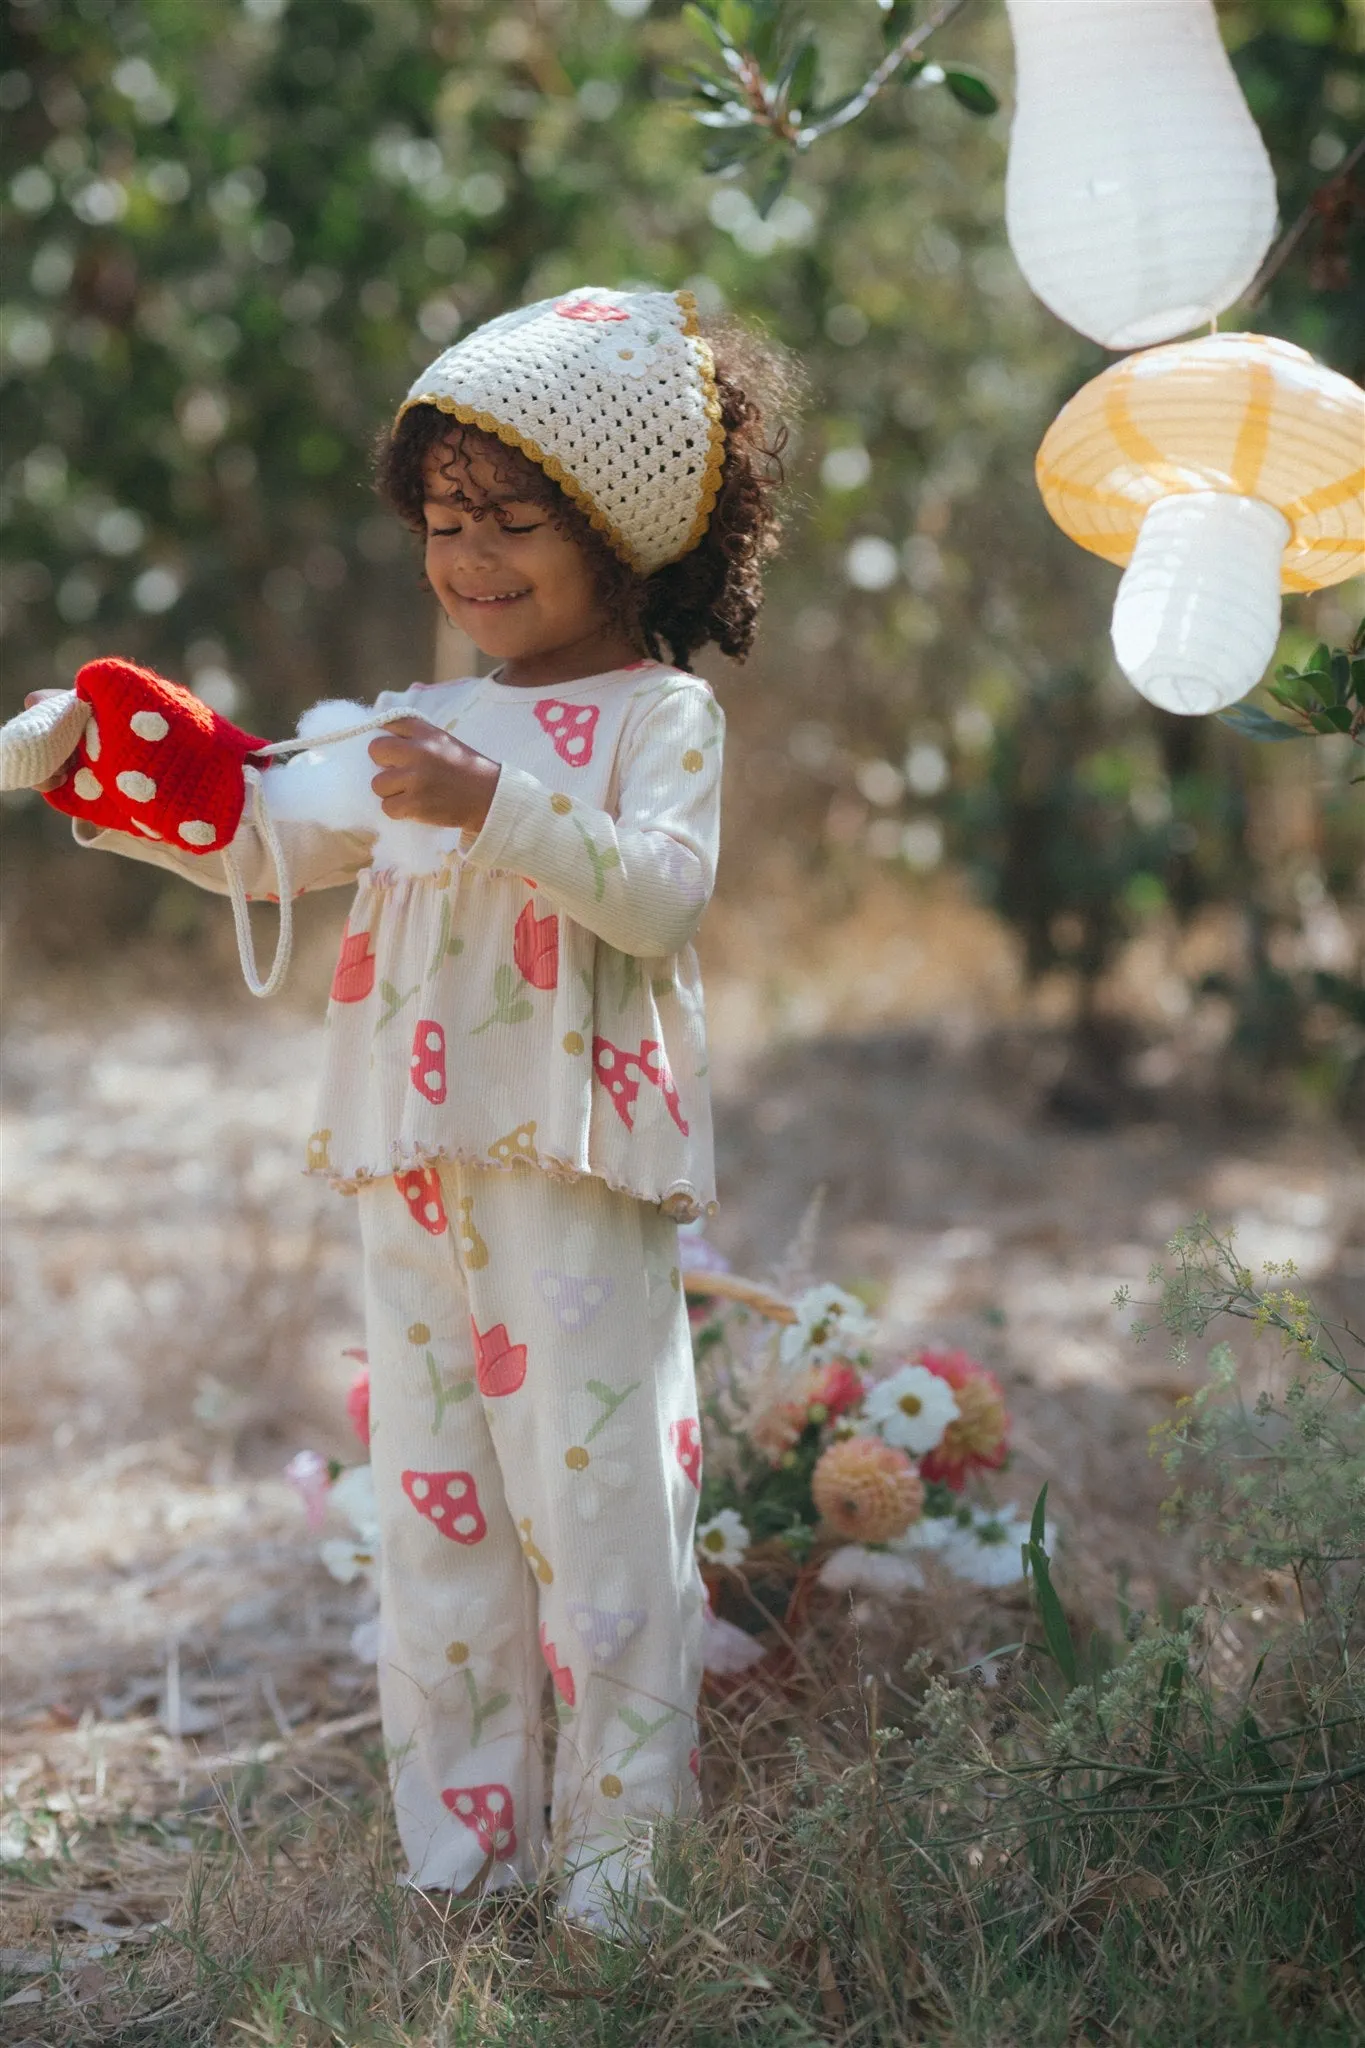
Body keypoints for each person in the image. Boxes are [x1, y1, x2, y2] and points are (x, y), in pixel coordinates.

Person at [54, 285, 794, 1932]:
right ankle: (464, 1856)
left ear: (623, 531)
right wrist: (88, 749)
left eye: (513, 521)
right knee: (437, 1519)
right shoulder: (421, 723)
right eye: (444, 521)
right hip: (413, 1166)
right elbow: (256, 824)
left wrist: (500, 809)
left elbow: (661, 900)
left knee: (603, 1520)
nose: (467, 560)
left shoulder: (660, 719)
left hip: (574, 1164)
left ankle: (622, 1875)